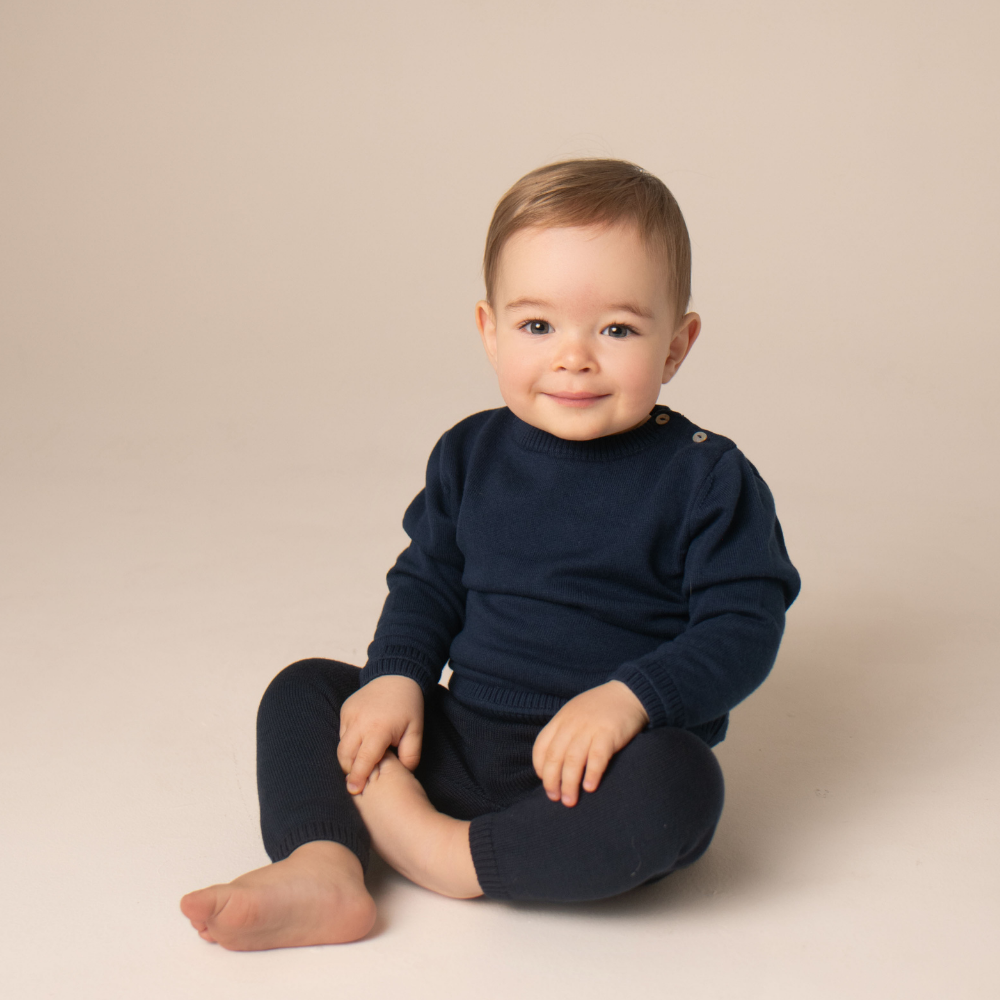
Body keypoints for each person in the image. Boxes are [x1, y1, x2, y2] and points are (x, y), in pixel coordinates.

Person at [180, 159, 801, 950]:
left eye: (617, 329)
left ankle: (451, 855)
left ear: (677, 344)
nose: (573, 357)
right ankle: (326, 865)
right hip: (455, 739)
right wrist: (397, 674)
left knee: (682, 790)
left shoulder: (708, 479)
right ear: (489, 329)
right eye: (538, 326)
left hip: (594, 772)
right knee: (305, 692)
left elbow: (742, 625)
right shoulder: (471, 453)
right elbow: (429, 579)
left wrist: (628, 699)